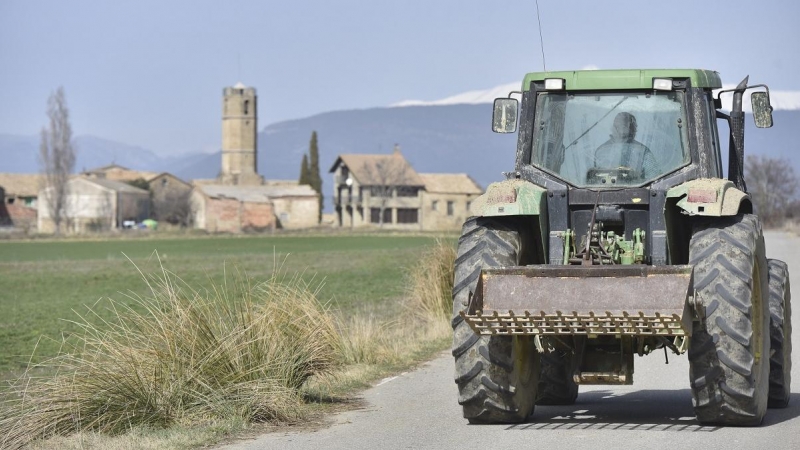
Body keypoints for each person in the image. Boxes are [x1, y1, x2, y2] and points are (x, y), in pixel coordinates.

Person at [594, 112, 659, 180]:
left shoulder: (643, 152)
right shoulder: (601, 152)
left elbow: (655, 179)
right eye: (620, 126)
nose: (622, 131)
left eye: (625, 127)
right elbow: (594, 180)